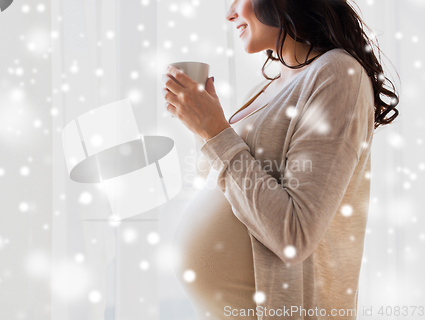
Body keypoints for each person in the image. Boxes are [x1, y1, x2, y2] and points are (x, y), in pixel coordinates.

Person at [163, 0, 400, 319]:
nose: (229, 13)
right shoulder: (268, 86)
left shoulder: (337, 73)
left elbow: (294, 236)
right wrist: (201, 126)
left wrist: (216, 132)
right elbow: (224, 185)